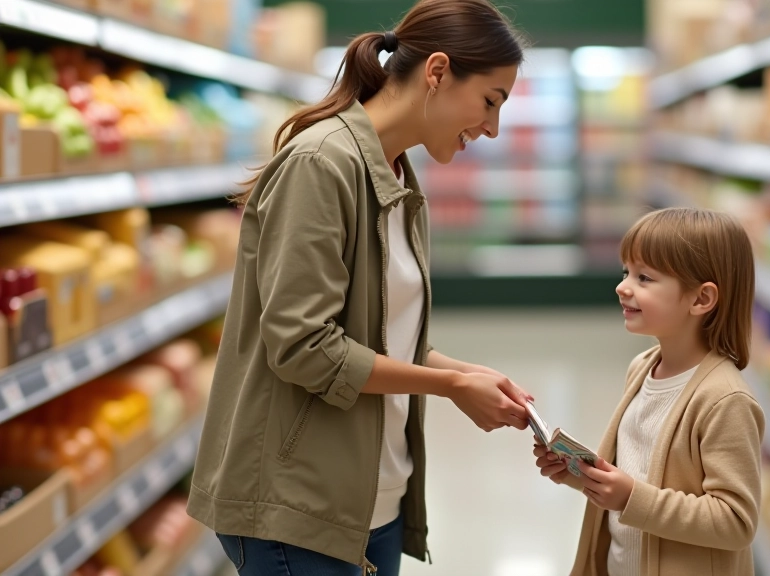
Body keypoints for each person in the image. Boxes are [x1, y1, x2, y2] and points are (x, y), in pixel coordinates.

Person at [185, 1, 532, 574]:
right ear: (437, 72)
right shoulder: (322, 163)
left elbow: (376, 337)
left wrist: (464, 374)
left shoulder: (397, 176)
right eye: (490, 101)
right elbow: (304, 346)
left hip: (372, 500)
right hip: (296, 504)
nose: (491, 128)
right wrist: (446, 386)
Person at [534, 207, 766, 576]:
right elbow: (641, 475)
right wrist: (581, 476)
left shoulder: (724, 400)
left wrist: (630, 498)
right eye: (626, 272)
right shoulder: (642, 368)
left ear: (701, 299)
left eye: (644, 278)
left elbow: (735, 521)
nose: (622, 286)